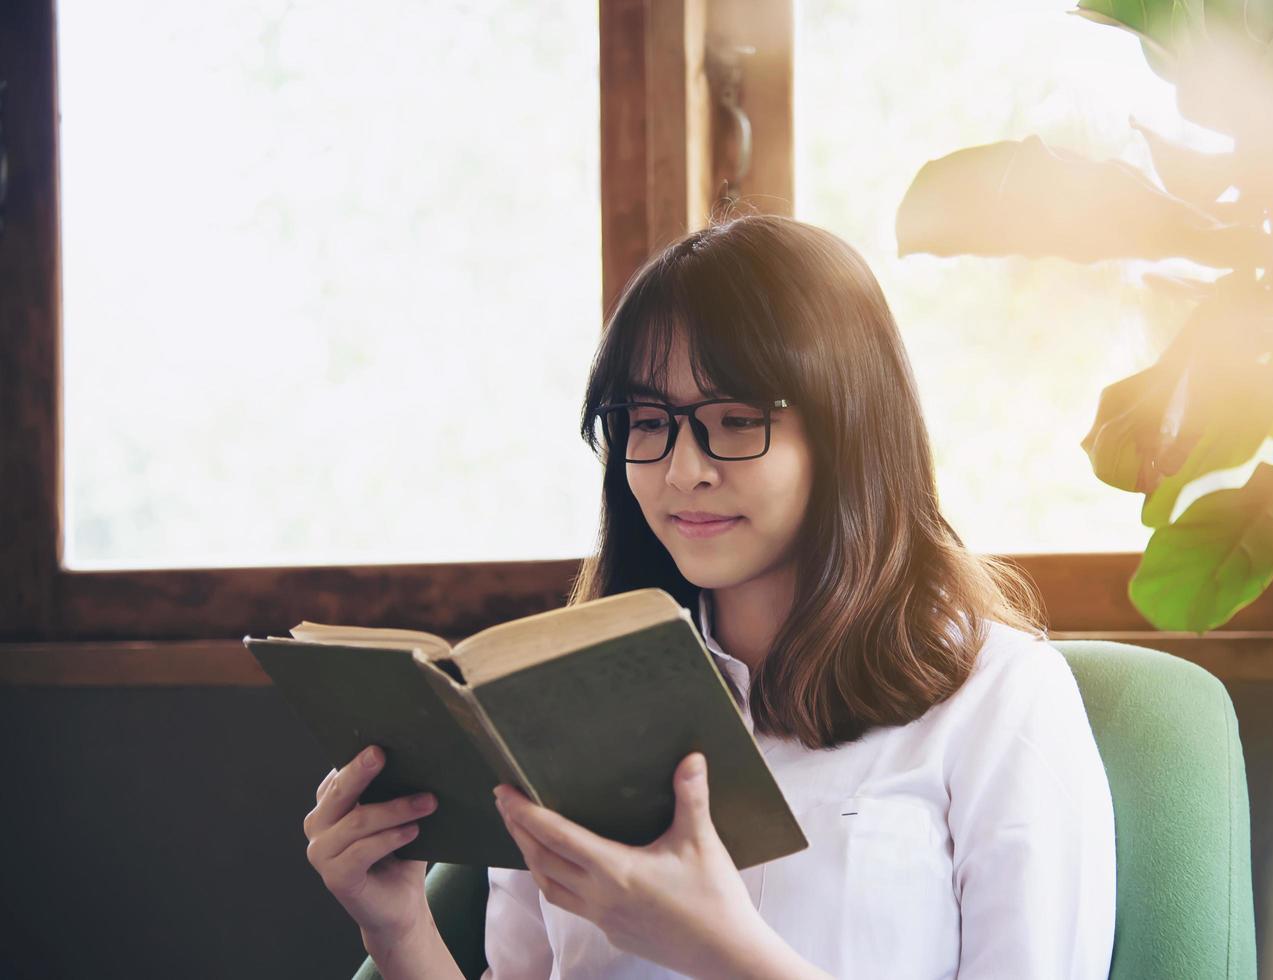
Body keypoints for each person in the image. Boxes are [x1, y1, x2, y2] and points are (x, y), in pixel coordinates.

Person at [303, 214, 1117, 979]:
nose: (682, 470)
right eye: (647, 421)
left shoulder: (1000, 699)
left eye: (733, 419)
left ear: (848, 431)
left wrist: (723, 952)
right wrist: (398, 926)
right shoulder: (565, 711)